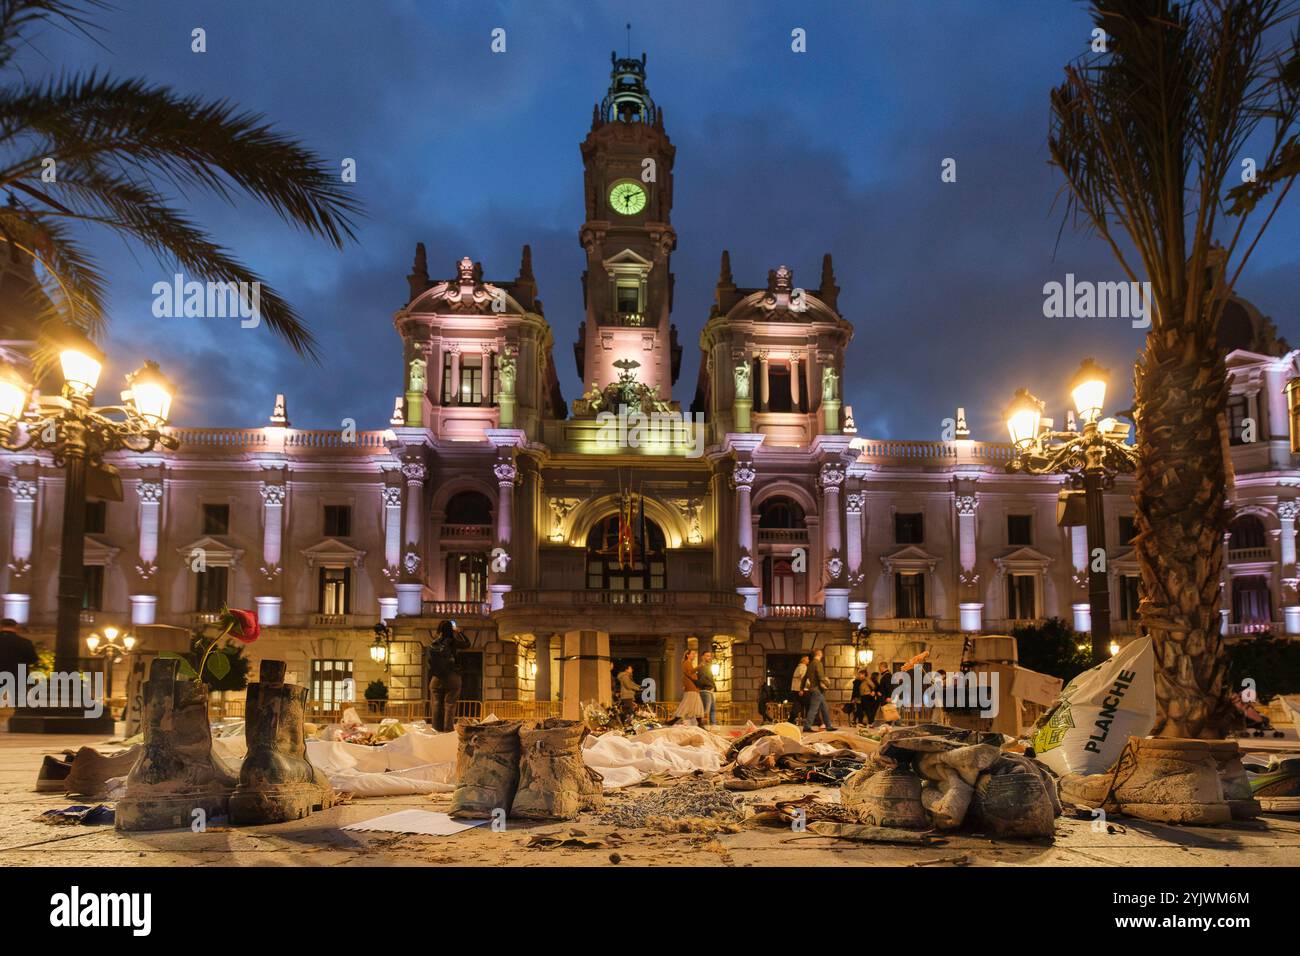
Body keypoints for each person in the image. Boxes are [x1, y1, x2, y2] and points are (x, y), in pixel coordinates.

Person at [426, 619, 470, 732]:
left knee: (436, 703)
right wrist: (459, 632)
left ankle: (436, 730)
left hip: (436, 678)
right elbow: (467, 644)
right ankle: (448, 730)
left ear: (439, 629)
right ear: (451, 630)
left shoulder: (434, 643)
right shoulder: (453, 642)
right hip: (452, 676)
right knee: (450, 704)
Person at [801, 648, 836, 732]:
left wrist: (801, 688)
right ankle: (807, 726)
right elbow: (820, 676)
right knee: (813, 709)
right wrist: (827, 683)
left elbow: (804, 678)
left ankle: (828, 726)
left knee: (824, 708)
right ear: (819, 654)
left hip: (813, 689)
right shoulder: (818, 663)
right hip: (817, 689)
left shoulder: (810, 664)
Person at [0, 618, 37, 687]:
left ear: (1, 626)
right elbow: (33, 660)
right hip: (18, 680)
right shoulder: (25, 642)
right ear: (16, 627)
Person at [675, 650, 707, 726]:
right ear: (687, 655)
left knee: (695, 704)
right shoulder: (686, 663)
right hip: (691, 687)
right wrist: (699, 666)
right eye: (693, 654)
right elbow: (689, 672)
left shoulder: (689, 663)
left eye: (695, 654)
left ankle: (700, 723)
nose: (694, 655)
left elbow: (691, 673)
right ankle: (673, 720)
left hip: (693, 687)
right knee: (688, 704)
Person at [696, 649, 717, 726]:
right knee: (705, 710)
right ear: (702, 657)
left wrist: (713, 687)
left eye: (710, 656)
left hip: (710, 690)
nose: (709, 657)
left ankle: (713, 724)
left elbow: (709, 678)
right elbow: (702, 679)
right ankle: (697, 723)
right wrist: (709, 686)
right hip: (705, 690)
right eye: (707, 656)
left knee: (712, 710)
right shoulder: (702, 667)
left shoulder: (708, 666)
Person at [790, 654, 809, 727]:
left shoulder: (798, 667)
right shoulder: (803, 667)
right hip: (801, 690)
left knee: (797, 706)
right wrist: (806, 687)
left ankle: (790, 720)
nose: (808, 660)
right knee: (809, 705)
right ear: (803, 659)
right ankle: (810, 721)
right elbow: (804, 679)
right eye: (807, 659)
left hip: (796, 689)